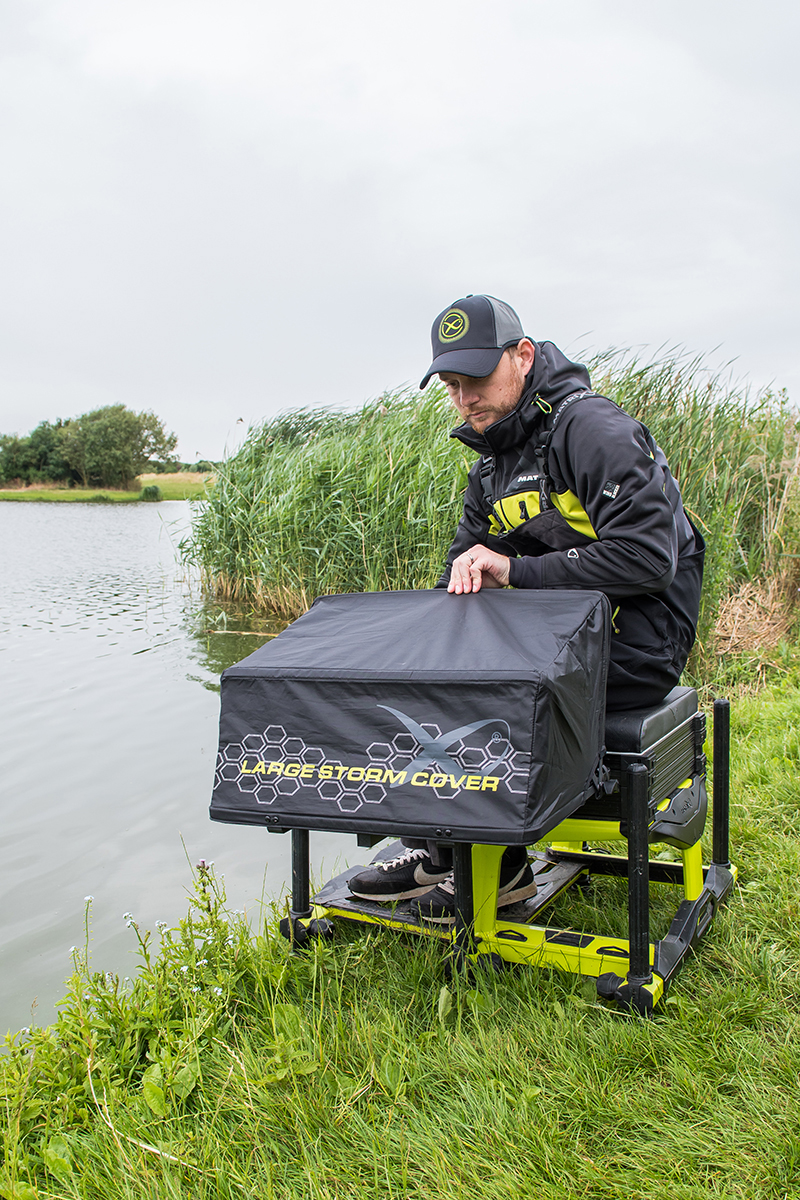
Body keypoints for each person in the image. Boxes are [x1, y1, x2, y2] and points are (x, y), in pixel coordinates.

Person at [348, 294, 704, 923]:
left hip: (641, 642)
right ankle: (441, 853)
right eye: (452, 386)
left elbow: (650, 561)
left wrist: (515, 570)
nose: (465, 399)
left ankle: (500, 870)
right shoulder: (490, 467)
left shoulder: (590, 430)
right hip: (558, 640)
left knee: (492, 700)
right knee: (428, 687)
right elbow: (459, 574)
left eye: (477, 380)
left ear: (523, 357)